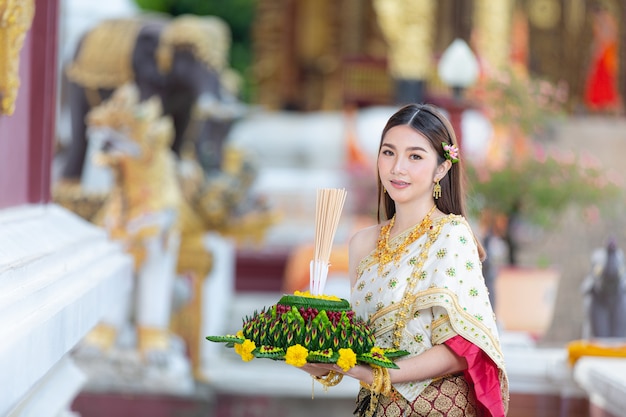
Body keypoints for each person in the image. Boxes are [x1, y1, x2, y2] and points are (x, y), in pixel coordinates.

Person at [304, 103, 509, 416]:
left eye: (415, 156)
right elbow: (359, 346)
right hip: (375, 407)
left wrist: (378, 374)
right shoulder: (362, 243)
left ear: (441, 168)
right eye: (388, 152)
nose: (397, 167)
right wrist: (313, 358)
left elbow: (464, 347)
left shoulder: (451, 234)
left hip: (435, 408)